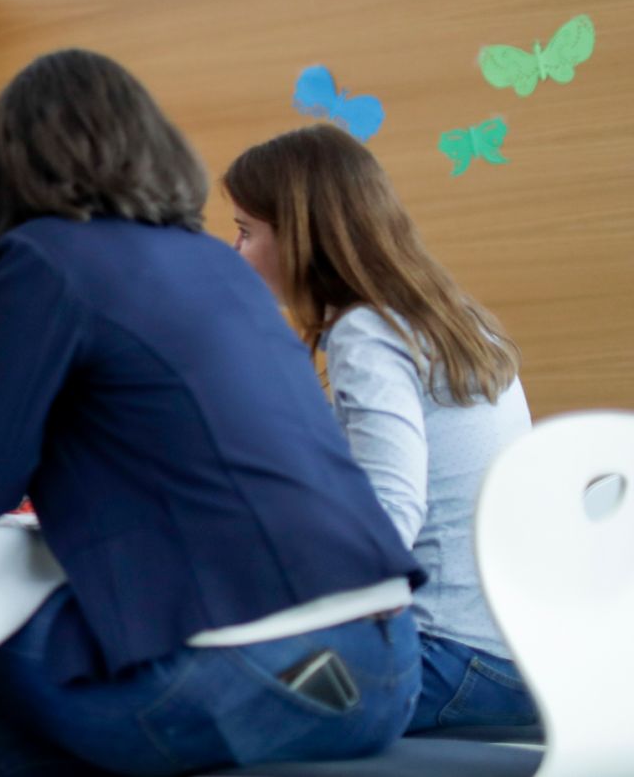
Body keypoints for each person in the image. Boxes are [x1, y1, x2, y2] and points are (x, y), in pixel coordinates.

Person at [0, 50, 424, 775]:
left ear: (7, 162)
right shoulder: (217, 264)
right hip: (389, 665)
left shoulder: (39, 258)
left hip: (258, 671)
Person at [225, 124, 537, 732]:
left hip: (443, 655)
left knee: (196, 692)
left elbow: (391, 513)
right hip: (523, 650)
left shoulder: (367, 332)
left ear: (300, 234)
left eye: (245, 231)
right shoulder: (453, 319)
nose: (234, 250)